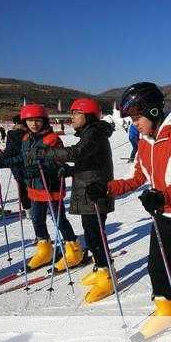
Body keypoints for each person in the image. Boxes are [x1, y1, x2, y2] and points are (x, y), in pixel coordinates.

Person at [86, 82, 171, 342]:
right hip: (163, 213)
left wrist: (162, 196)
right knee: (156, 267)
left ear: (153, 111)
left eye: (136, 118)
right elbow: (137, 178)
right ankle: (165, 310)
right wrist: (106, 188)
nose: (135, 125)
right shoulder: (145, 142)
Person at [27, 98, 115, 303]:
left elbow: (76, 152)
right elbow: (88, 160)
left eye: (76, 113)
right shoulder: (90, 133)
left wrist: (45, 153)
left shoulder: (94, 133)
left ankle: (107, 277)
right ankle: (101, 268)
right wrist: (70, 170)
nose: (72, 117)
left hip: (95, 192)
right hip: (88, 189)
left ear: (88, 115)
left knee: (96, 236)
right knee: (92, 236)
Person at [0, 104, 82, 270]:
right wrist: (2, 163)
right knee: (36, 219)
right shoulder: (27, 139)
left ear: (44, 121)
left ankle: (74, 249)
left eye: (37, 120)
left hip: (51, 187)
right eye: (30, 121)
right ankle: (45, 249)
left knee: (59, 220)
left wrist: (40, 169)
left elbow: (58, 164)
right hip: (34, 188)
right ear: (25, 122)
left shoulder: (52, 139)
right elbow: (23, 158)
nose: (34, 124)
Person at [0, 115, 31, 217]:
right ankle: (35, 206)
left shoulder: (12, 133)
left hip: (16, 164)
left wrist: (2, 158)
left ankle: (28, 209)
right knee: (32, 184)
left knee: (22, 185)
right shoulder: (30, 133)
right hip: (29, 162)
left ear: (15, 123)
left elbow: (10, 150)